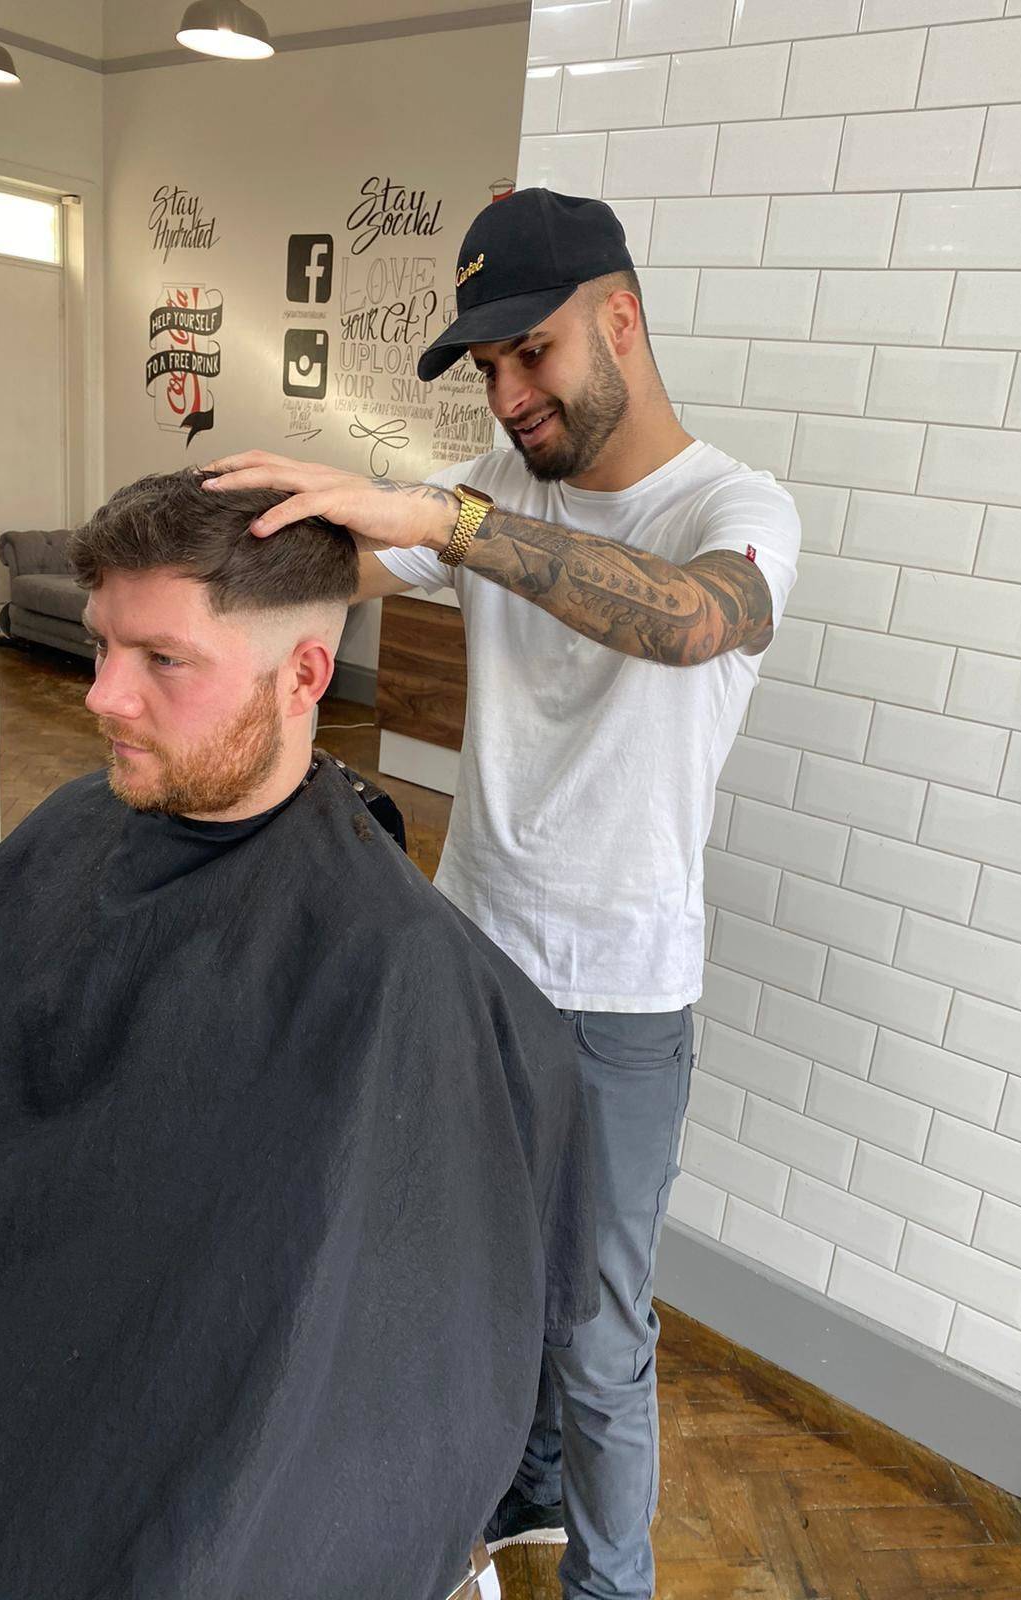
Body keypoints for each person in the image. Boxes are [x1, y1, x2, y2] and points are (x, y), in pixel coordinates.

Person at [204, 187, 802, 1600]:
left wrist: (456, 520)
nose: (509, 394)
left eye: (531, 352)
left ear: (622, 319)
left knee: (598, 1337)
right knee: (467, 1278)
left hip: (623, 1003)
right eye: (486, 367)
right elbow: (346, 564)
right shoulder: (496, 482)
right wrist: (225, 556)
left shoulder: (735, 508)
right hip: (470, 961)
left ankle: (609, 1583)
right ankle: (511, 1499)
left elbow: (691, 619)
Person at [0, 469, 597, 1600]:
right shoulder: (78, 827)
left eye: (162, 659)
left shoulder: (391, 965)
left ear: (306, 676)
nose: (102, 697)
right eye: (104, 645)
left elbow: (362, 1365)